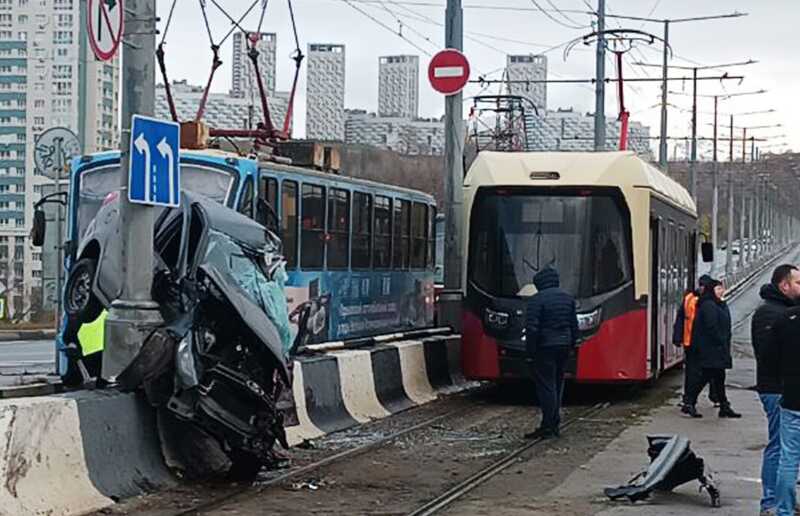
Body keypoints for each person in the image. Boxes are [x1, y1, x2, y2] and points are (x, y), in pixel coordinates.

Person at [752, 265, 800, 516]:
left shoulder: (783, 313)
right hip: (777, 390)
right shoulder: (771, 314)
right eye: (798, 283)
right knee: (781, 449)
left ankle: (783, 502)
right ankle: (772, 502)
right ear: (785, 285)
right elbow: (767, 357)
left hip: (786, 391)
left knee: (787, 451)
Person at [524, 266, 579, 440]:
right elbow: (574, 325)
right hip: (564, 346)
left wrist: (530, 351)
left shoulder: (536, 300)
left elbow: (532, 329)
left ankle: (548, 425)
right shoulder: (567, 298)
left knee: (546, 386)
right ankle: (553, 424)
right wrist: (572, 345)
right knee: (557, 383)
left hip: (544, 347)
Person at [682, 277, 741, 419]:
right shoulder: (708, 305)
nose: (722, 291)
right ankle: (689, 402)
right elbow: (711, 327)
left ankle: (724, 406)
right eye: (718, 288)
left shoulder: (719, 304)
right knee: (706, 376)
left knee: (718, 378)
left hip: (718, 348)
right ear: (711, 290)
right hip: (711, 349)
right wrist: (720, 340)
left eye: (722, 288)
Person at [768, 299, 800, 516]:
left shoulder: (785, 319)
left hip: (792, 399)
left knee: (788, 458)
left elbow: (770, 358)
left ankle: (785, 511)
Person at [673, 274, 718, 413]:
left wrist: (677, 337)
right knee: (707, 371)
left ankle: (690, 398)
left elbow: (681, 318)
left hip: (690, 341)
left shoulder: (690, 299)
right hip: (698, 343)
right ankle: (696, 399)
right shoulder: (707, 301)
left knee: (694, 372)